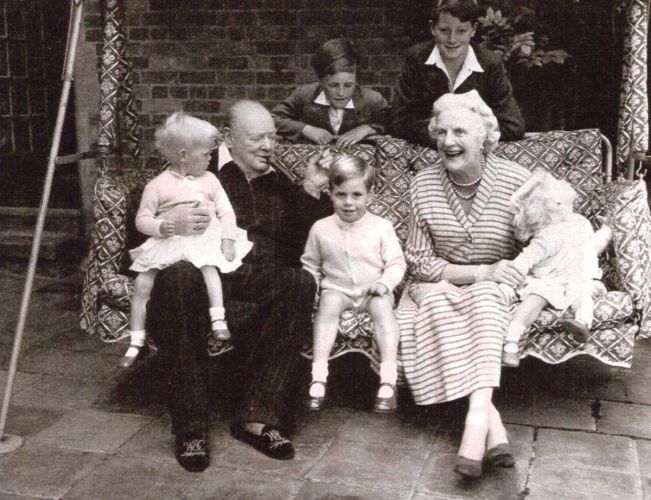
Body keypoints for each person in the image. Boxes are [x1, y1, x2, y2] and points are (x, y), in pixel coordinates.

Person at [145, 100, 332, 472]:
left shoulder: (279, 183)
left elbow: (309, 242)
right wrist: (171, 223)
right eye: (257, 137)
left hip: (262, 279)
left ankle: (257, 416)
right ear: (228, 138)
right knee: (178, 278)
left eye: (272, 136)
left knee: (299, 281)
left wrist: (311, 190)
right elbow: (145, 219)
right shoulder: (193, 171)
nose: (269, 145)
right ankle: (191, 427)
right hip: (204, 280)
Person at [396, 90, 529, 479]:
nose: (448, 142)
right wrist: (479, 272)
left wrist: (498, 274)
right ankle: (493, 427)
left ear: (484, 137)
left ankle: (474, 425)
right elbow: (419, 262)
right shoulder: (422, 184)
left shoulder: (516, 181)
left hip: (498, 283)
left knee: (488, 297)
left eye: (460, 132)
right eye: (442, 132)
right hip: (438, 283)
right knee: (437, 301)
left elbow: (538, 246)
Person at [122, 112, 252, 368]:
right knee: (143, 282)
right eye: (205, 154)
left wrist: (227, 239)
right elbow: (142, 219)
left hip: (204, 238)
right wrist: (163, 226)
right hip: (171, 238)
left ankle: (218, 320)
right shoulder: (157, 186)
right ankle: (135, 339)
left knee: (209, 268)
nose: (210, 158)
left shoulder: (211, 180)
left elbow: (226, 212)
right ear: (183, 155)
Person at [301, 155, 406, 413]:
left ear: (370, 195)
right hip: (338, 289)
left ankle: (388, 380)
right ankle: (318, 376)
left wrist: (384, 283)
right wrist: (314, 289)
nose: (348, 203)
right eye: (341, 194)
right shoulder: (320, 228)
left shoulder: (381, 227)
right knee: (328, 304)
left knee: (383, 308)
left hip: (373, 290)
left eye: (357, 195)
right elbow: (310, 264)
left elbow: (396, 263)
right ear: (330, 193)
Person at [500, 170, 612, 367]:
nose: (570, 208)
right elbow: (527, 258)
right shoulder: (547, 236)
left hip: (577, 277)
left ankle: (582, 323)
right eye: (563, 203)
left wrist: (606, 231)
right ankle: (511, 342)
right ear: (552, 207)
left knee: (582, 293)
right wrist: (510, 276)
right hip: (550, 280)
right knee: (535, 297)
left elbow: (593, 247)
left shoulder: (580, 223)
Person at [392, 0, 524, 147]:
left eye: (461, 31)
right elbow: (399, 122)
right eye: (444, 30)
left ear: (473, 30)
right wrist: (443, 137)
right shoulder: (416, 59)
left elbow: (513, 126)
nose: (452, 39)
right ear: (433, 29)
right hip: (430, 151)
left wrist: (465, 136)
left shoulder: (490, 63)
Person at [272, 38, 388, 147]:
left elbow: (393, 123)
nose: (341, 93)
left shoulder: (372, 99)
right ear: (321, 81)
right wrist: (306, 129)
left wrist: (367, 128)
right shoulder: (305, 95)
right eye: (333, 85)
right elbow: (273, 118)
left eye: (348, 85)